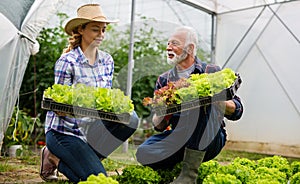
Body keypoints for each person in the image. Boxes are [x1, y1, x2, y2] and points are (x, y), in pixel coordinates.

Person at [39, 4, 139, 183]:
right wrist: (66, 108)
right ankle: (53, 155)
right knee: (97, 178)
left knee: (130, 119)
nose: (101, 34)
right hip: (64, 132)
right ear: (81, 29)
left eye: (103, 30)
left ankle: (81, 158)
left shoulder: (107, 60)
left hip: (91, 130)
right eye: (95, 29)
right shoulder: (67, 61)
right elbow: (59, 105)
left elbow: (105, 100)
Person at [135, 26, 243, 183]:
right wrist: (164, 110)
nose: (168, 47)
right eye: (168, 43)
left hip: (210, 137)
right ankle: (181, 167)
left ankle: (188, 176)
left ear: (190, 48)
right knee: (144, 152)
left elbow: (238, 110)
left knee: (198, 103)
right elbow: (158, 126)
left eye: (174, 43)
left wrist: (215, 101)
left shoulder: (210, 71)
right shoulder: (164, 80)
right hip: (178, 137)